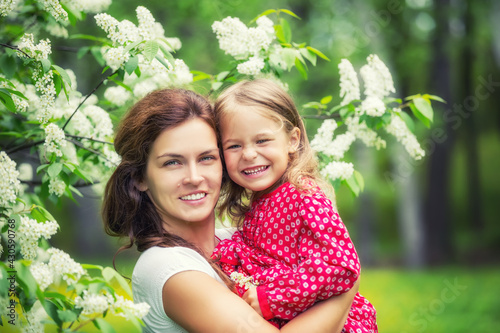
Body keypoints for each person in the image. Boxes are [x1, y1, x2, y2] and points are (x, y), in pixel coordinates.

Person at [102, 88, 359, 333]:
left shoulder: (243, 241)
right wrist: (346, 282)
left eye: (206, 158)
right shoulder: (168, 266)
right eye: (172, 162)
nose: (194, 177)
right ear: (140, 178)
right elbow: (339, 269)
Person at [211, 79, 378, 332]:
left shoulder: (303, 195)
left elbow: (340, 265)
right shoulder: (265, 196)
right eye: (234, 145)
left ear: (292, 140)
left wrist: (272, 298)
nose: (248, 154)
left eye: (262, 140)